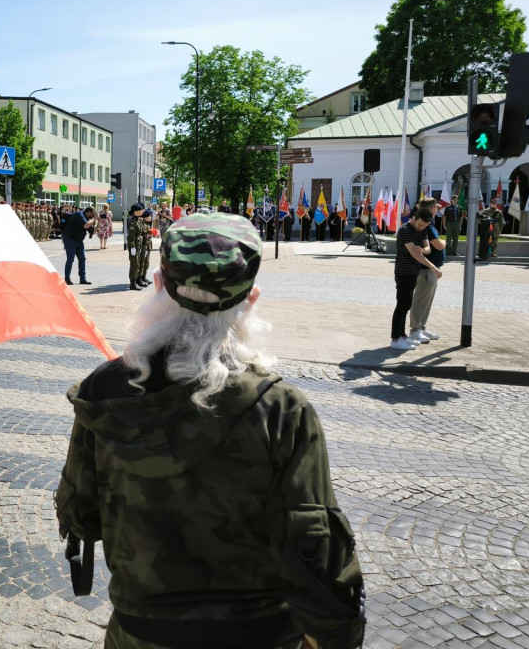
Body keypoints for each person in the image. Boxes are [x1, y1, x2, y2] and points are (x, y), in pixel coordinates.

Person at [56, 213, 365, 649]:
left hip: (141, 634)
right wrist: (339, 638)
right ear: (250, 298)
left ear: (159, 284)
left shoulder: (103, 392)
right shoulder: (281, 409)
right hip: (260, 637)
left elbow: (80, 517)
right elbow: (314, 549)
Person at [392, 208, 443, 351]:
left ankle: (402, 336)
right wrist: (434, 268)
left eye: (424, 226)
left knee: (407, 304)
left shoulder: (422, 230)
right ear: (414, 217)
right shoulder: (404, 230)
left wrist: (421, 248)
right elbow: (416, 255)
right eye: (419, 224)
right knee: (402, 305)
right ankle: (395, 338)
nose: (421, 228)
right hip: (403, 272)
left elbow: (427, 249)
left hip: (414, 272)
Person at [408, 199, 445, 344]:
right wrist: (445, 242)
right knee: (420, 300)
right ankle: (415, 330)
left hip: (431, 268)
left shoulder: (429, 223)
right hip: (425, 269)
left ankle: (421, 327)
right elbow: (439, 245)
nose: (437, 209)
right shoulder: (424, 225)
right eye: (436, 207)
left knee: (427, 300)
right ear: (431, 208)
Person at [60, 205, 95, 285]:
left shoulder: (88, 219)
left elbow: (92, 232)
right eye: (92, 214)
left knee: (82, 259)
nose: (92, 216)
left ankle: (82, 279)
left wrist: (99, 221)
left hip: (79, 241)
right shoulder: (79, 214)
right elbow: (86, 225)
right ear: (88, 212)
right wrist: (94, 219)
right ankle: (67, 278)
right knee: (70, 259)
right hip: (70, 239)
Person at [127, 203, 147, 291]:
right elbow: (131, 236)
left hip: (138, 244)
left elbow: (142, 231)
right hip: (134, 245)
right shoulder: (132, 221)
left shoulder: (138, 219)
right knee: (134, 264)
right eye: (140, 210)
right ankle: (132, 284)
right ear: (136, 211)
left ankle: (136, 281)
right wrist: (132, 247)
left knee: (138, 264)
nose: (142, 211)